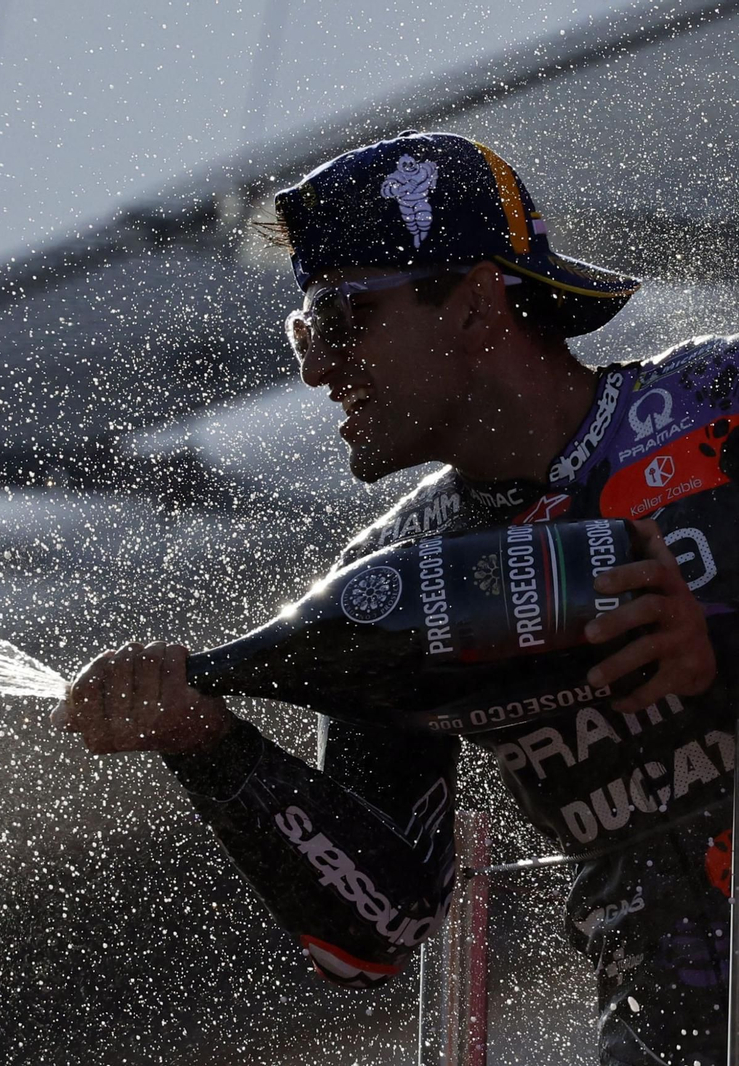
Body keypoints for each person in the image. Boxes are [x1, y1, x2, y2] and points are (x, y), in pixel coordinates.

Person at [52, 131, 739, 1066]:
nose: (315, 369)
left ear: (473, 302)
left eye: (341, 320)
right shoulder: (394, 569)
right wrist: (211, 747)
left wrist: (720, 656)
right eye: (305, 332)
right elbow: (377, 932)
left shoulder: (718, 403)